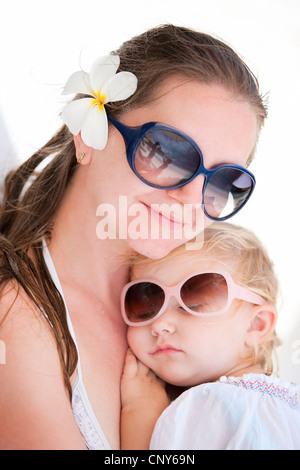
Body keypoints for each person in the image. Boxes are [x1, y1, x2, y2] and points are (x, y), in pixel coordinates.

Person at [0, 24, 267, 450]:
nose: (190, 198)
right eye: (167, 151)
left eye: (224, 180)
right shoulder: (14, 320)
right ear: (87, 134)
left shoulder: (210, 309)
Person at [120, 222, 300, 450]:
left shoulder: (213, 406)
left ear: (255, 325)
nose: (160, 324)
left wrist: (140, 410)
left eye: (193, 303)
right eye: (144, 304)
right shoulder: (287, 408)